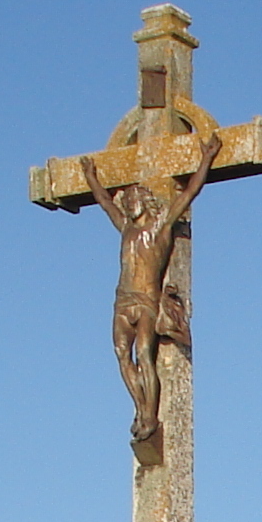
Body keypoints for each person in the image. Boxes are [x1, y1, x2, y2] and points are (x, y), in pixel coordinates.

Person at [82, 127, 225, 459]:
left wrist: (207, 157)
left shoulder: (160, 228)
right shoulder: (127, 228)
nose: (127, 204)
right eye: (127, 201)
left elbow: (188, 193)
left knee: (145, 355)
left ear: (143, 202)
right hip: (123, 299)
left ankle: (150, 415)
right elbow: (105, 203)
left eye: (132, 200)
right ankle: (141, 408)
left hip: (146, 300)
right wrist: (91, 178)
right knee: (122, 355)